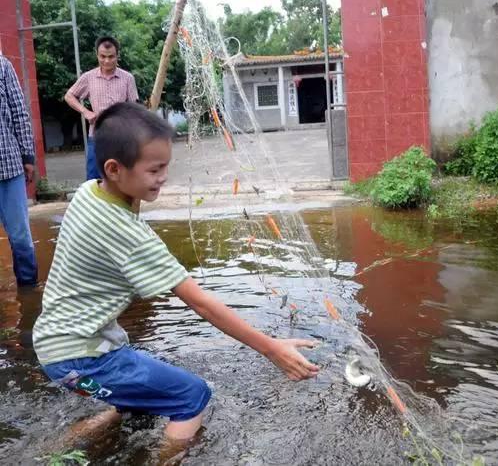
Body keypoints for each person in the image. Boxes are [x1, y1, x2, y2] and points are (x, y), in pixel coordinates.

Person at [32, 102, 319, 448]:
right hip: (82, 357)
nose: (163, 178)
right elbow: (201, 304)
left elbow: (126, 198)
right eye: (154, 170)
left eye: (166, 167)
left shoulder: (88, 192)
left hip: (56, 343)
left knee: (137, 402)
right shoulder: (129, 236)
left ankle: (54, 450)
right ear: (114, 168)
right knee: (190, 395)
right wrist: (271, 348)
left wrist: (141, 174)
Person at [64, 36, 138, 180]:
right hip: (97, 136)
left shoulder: (128, 78)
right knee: (93, 179)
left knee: (120, 178)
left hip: (120, 138)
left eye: (111, 57)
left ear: (117, 56)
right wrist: (86, 112)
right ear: (97, 55)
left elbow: (134, 108)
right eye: (103, 56)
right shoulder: (89, 77)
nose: (107, 61)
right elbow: (69, 96)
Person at [0, 54, 38, 287]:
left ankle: (29, 294)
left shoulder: (3, 66)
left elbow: (20, 113)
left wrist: (28, 156)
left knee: (21, 239)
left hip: (8, 167)